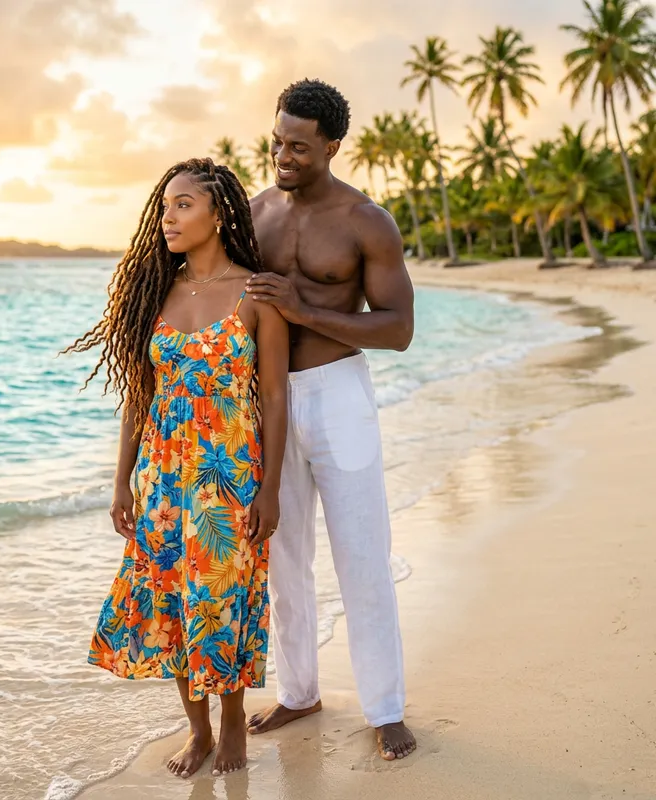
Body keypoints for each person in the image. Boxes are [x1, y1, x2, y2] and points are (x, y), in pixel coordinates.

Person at [65, 158, 289, 778]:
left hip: (228, 480)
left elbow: (274, 396)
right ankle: (199, 733)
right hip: (162, 481)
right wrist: (121, 482)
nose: (168, 217)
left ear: (218, 214)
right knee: (172, 606)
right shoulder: (153, 293)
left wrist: (271, 488)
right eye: (165, 206)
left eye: (183, 205)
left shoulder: (256, 293)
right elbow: (138, 396)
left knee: (222, 600)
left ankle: (234, 721)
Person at [245, 79, 417, 761]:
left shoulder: (365, 221)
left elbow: (399, 328)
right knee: (283, 554)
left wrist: (304, 309)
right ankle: (299, 690)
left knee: (361, 553)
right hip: (270, 399)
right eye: (278, 140)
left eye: (299, 146)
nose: (283, 154)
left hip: (340, 392)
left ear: (332, 145)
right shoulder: (254, 213)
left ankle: (385, 707)